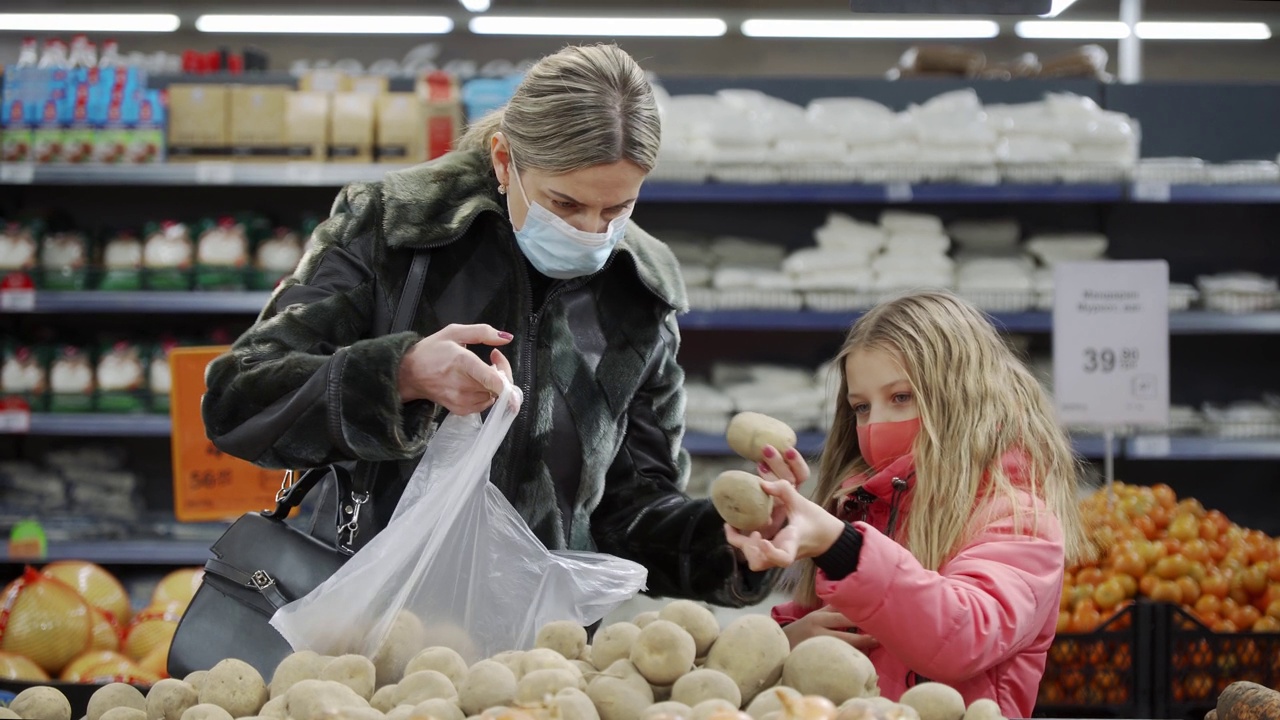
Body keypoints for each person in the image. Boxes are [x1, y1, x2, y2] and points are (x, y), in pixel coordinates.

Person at [201, 44, 779, 608]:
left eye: (617, 210)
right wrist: (399, 375)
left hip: (542, 649)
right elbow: (239, 400)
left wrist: (722, 546)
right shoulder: (397, 229)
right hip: (368, 622)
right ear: (505, 161)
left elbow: (631, 512)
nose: (592, 231)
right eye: (566, 204)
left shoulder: (640, 291)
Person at [726, 291, 1093, 718]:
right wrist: (791, 640)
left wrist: (840, 546)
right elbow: (827, 623)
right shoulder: (863, 505)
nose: (876, 423)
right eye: (861, 408)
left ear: (964, 396)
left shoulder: (1019, 518)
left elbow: (964, 635)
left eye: (900, 397)